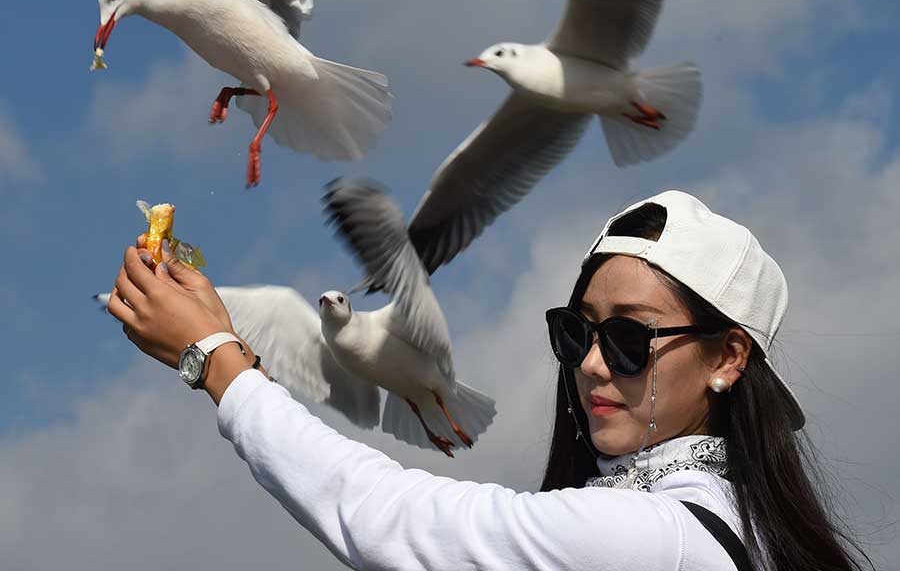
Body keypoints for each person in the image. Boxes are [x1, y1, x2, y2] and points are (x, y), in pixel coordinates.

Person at [106, 191, 872, 570]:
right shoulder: (741, 536)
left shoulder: (656, 540)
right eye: (576, 332)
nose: (593, 363)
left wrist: (215, 360)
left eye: (631, 338)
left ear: (728, 358)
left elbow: (383, 516)